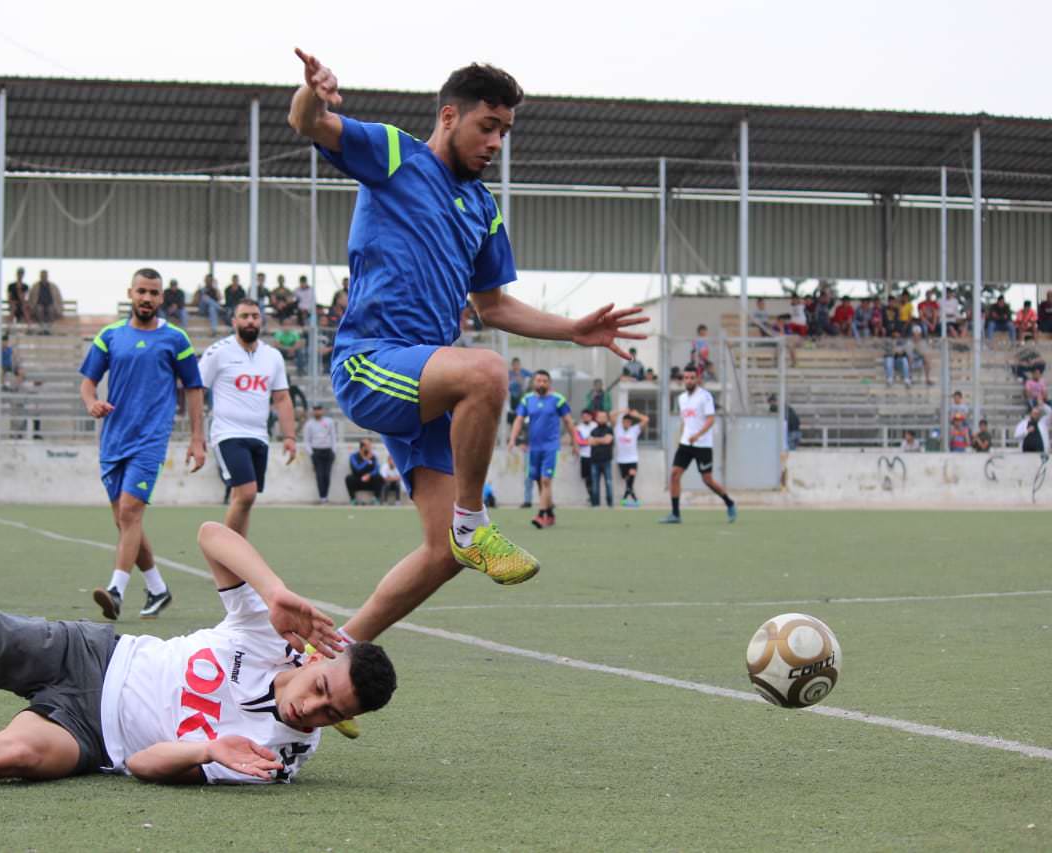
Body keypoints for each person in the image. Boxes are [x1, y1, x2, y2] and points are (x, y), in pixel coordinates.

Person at [289, 48, 646, 647]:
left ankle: (328, 657)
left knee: (440, 554)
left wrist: (574, 330)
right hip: (371, 362)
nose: (497, 143)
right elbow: (308, 124)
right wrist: (312, 94)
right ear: (450, 116)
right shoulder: (395, 153)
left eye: (505, 131)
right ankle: (473, 523)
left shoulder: (482, 209)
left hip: (427, 378)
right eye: (488, 126)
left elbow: (494, 307)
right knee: (485, 371)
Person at [0, 521, 396, 788]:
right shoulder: (271, 635)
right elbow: (211, 536)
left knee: (5, 756)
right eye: (320, 689)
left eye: (326, 714)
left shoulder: (276, 757)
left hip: (93, 738)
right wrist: (274, 590)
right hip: (89, 653)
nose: (310, 710)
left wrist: (209, 749)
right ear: (314, 659)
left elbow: (148, 764)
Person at [80, 269, 206, 621]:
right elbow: (88, 382)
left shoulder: (176, 339)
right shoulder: (110, 336)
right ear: (130, 294)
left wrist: (197, 438)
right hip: (113, 440)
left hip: (150, 439)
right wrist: (91, 403)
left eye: (154, 293)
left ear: (161, 298)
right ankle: (157, 588)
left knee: (130, 513)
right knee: (124, 522)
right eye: (142, 292)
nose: (147, 298)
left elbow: (194, 389)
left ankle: (117, 590)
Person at [200, 299, 296, 539]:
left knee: (243, 499)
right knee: (247, 493)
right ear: (234, 321)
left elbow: (282, 398)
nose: (250, 321)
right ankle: (226, 557)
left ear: (261, 320)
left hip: (259, 436)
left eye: (254, 316)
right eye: (244, 316)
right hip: (228, 434)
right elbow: (196, 389)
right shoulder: (218, 352)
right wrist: (196, 434)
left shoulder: (272, 356)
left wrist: (290, 436)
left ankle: (237, 562)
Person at [659, 366, 736, 524]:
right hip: (686, 444)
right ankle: (675, 514)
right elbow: (685, 421)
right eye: (686, 378)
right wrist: (682, 438)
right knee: (674, 475)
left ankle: (729, 502)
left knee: (707, 480)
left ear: (697, 379)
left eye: (691, 378)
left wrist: (698, 435)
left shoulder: (705, 396)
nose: (688, 380)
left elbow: (710, 419)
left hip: (703, 445)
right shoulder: (681, 398)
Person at [507, 370, 577, 529]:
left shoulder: (558, 400)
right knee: (540, 482)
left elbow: (568, 422)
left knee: (546, 480)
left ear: (549, 383)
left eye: (545, 381)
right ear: (533, 382)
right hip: (534, 448)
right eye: (538, 380)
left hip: (550, 447)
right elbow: (518, 420)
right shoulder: (527, 400)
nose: (541, 383)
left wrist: (575, 443)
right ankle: (550, 513)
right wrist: (512, 439)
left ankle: (540, 514)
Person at [302, 403, 338, 503]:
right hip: (316, 452)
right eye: (315, 409)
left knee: (327, 475)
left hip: (328, 451)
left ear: (322, 410)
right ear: (313, 411)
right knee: (319, 475)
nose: (317, 411)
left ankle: (326, 496)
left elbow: (334, 437)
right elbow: (307, 440)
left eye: (319, 409)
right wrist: (311, 454)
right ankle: (322, 497)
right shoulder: (309, 424)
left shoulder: (329, 422)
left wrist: (333, 451)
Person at [613, 407, 647, 506]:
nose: (627, 423)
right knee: (628, 481)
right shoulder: (617, 429)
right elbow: (611, 415)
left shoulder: (635, 429)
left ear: (631, 423)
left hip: (632, 459)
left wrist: (636, 415)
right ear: (622, 422)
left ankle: (627, 498)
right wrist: (622, 411)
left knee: (632, 476)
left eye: (628, 422)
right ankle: (630, 498)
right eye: (625, 421)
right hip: (621, 460)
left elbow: (646, 419)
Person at [586, 409, 614, 508]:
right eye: (600, 417)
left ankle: (610, 503)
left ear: (606, 418)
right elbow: (590, 442)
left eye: (604, 417)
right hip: (594, 461)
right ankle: (595, 504)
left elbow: (608, 441)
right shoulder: (593, 431)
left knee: (608, 482)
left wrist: (596, 440)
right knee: (595, 484)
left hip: (606, 460)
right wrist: (601, 440)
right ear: (596, 418)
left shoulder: (609, 429)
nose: (602, 419)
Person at [345, 439, 382, 504]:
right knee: (349, 478)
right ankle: (353, 500)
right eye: (369, 446)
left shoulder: (373, 457)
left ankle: (376, 499)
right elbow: (357, 469)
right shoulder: (353, 456)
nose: (370, 448)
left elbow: (377, 469)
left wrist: (369, 475)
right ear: (363, 447)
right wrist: (366, 460)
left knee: (379, 477)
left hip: (369, 480)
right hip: (358, 480)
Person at [573, 408, 595, 505]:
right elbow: (580, 441)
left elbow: (596, 440)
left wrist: (592, 441)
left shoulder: (596, 426)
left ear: (591, 417)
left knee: (594, 477)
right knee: (587, 477)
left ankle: (595, 497)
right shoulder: (578, 428)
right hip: (584, 456)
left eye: (587, 416)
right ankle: (591, 496)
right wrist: (589, 441)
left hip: (595, 456)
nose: (585, 418)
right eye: (583, 416)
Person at [29, 270, 60, 334]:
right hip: (38, 305)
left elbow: (58, 298)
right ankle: (42, 327)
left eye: (45, 275)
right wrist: (31, 308)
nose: (44, 277)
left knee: (51, 309)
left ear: (47, 276)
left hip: (50, 305)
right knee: (39, 308)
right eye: (42, 275)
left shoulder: (53, 286)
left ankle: (48, 328)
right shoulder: (35, 286)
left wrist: (60, 309)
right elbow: (31, 298)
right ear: (40, 276)